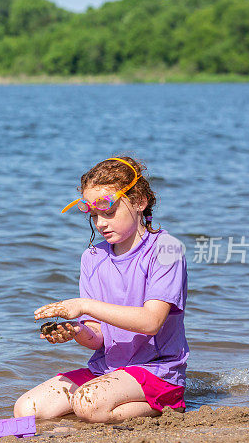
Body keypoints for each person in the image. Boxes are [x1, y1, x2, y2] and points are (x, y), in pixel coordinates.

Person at [14, 157, 189, 424]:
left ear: (140, 201)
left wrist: (84, 305)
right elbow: (98, 338)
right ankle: (106, 404)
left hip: (157, 371)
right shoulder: (92, 258)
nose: (100, 224)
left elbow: (151, 322)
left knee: (88, 405)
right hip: (106, 371)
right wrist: (76, 332)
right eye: (94, 215)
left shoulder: (166, 249)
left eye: (109, 212)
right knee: (26, 409)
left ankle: (168, 404)